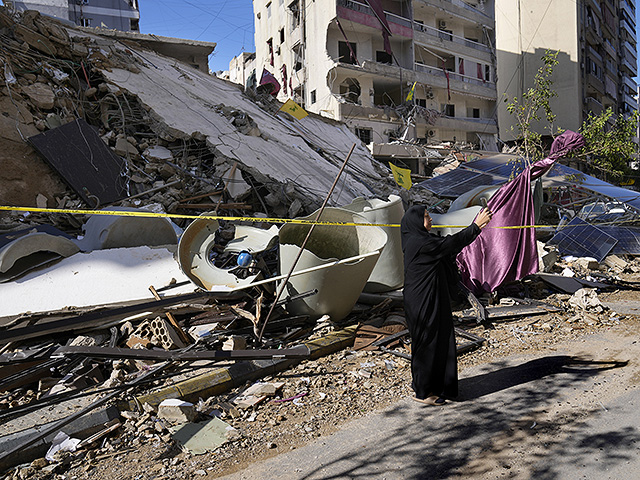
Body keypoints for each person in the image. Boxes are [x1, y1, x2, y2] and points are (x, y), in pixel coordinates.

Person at [401, 205, 492, 405]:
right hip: (424, 299)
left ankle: (424, 383)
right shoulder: (420, 243)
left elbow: (447, 246)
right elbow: (449, 244)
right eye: (426, 217)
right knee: (428, 341)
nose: (430, 219)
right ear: (417, 222)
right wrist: (475, 227)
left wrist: (474, 229)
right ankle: (424, 392)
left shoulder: (418, 239)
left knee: (432, 339)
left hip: (429, 296)